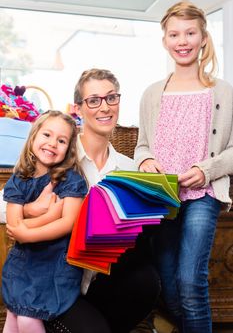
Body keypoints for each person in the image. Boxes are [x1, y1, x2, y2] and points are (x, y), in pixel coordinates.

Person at [8, 68, 161, 333]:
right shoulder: (57, 154)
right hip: (56, 280)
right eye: (94, 100)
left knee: (147, 277)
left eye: (111, 98)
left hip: (101, 278)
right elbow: (6, 201)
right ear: (78, 108)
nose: (104, 107)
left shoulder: (128, 168)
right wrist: (32, 209)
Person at [134, 0, 233, 333]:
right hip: (162, 198)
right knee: (169, 284)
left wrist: (208, 169)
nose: (183, 41)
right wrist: (146, 160)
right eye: (174, 34)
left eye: (190, 33)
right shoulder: (151, 93)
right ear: (165, 40)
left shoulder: (223, 92)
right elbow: (142, 146)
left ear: (203, 37)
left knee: (192, 283)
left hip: (203, 194)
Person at [2, 110, 88, 333]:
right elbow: (14, 224)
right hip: (22, 264)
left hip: (53, 266)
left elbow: (68, 222)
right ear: (33, 137)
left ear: (68, 149)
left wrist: (26, 232)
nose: (52, 143)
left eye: (61, 140)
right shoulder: (19, 179)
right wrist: (49, 216)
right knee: (12, 315)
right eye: (47, 135)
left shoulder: (72, 181)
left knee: (26, 319)